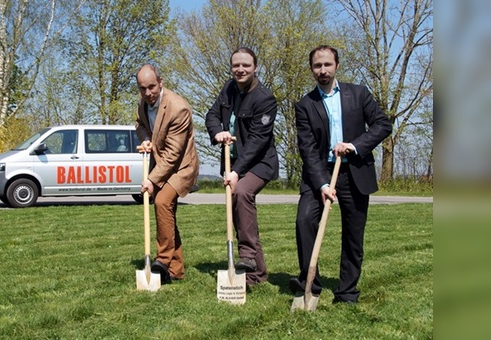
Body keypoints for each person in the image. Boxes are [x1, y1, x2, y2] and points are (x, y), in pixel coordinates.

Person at [290, 45, 392, 304]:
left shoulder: (358, 94)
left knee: (353, 234)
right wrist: (323, 184)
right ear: (311, 69)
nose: (322, 70)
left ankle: (347, 292)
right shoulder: (305, 105)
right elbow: (308, 149)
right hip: (320, 173)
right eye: (317, 66)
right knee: (305, 221)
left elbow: (382, 124)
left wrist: (354, 145)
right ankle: (310, 282)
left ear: (336, 65)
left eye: (327, 65)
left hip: (355, 171)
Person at [205, 47, 279, 287]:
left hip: (259, 162)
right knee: (240, 212)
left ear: (255, 67)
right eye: (236, 65)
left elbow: (258, 141)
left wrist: (237, 172)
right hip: (234, 161)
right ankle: (256, 274)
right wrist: (218, 133)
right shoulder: (228, 89)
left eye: (246, 65)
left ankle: (246, 255)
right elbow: (211, 116)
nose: (240, 69)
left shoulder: (265, 98)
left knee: (241, 193)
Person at [135, 64, 200, 284]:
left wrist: (151, 180)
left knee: (162, 202)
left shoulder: (178, 108)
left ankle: (162, 260)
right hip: (161, 163)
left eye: (151, 87)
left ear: (160, 82)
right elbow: (139, 124)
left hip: (181, 167)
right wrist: (146, 139)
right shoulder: (143, 103)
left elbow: (174, 154)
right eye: (142, 88)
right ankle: (176, 269)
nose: (148, 93)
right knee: (167, 214)